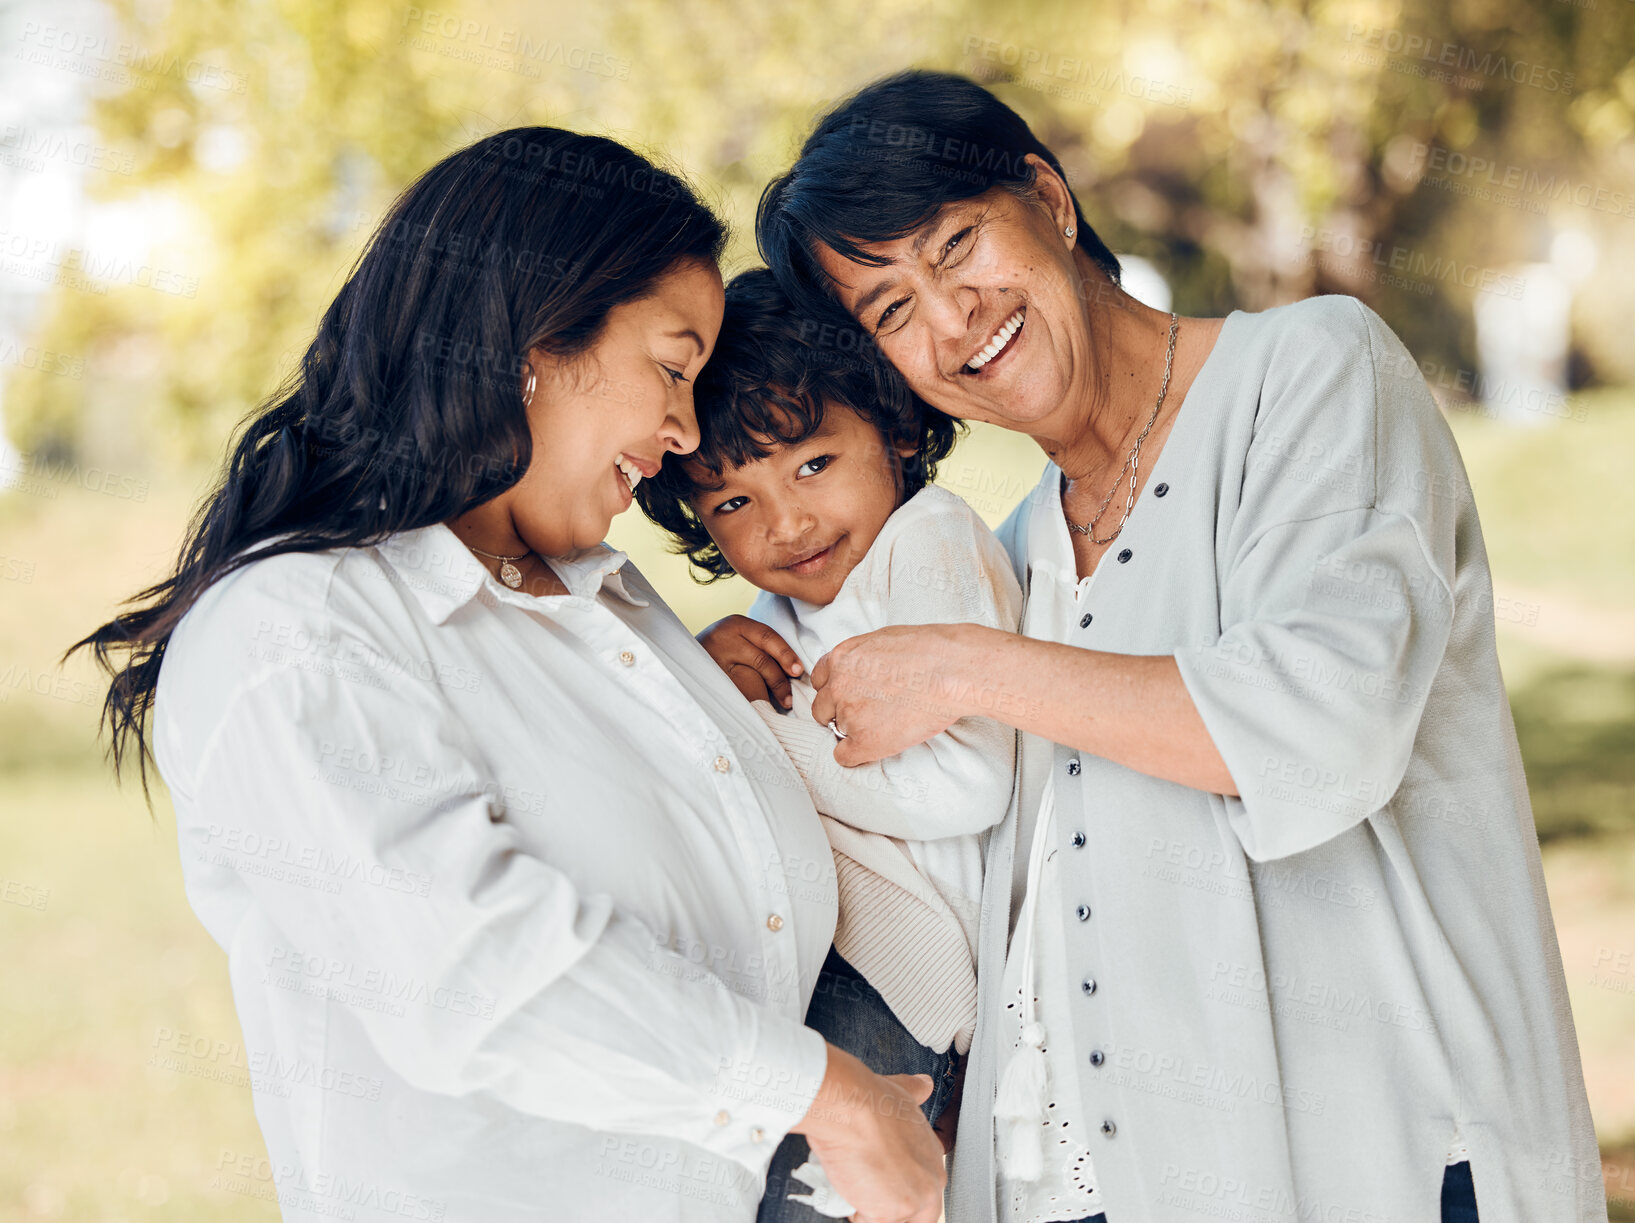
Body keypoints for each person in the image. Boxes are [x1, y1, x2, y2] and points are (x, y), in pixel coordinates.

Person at [755, 70, 1606, 1223]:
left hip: (1381, 1165)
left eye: (957, 246)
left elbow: (1322, 722)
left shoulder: (1309, 375)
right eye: (892, 309)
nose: (951, 319)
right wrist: (740, 674)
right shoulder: (1013, 554)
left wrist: (965, 666)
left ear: (1049, 203)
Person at [71, 127, 945, 1223]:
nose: (683, 433)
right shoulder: (299, 632)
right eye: (672, 369)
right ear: (534, 337)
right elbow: (479, 973)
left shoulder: (611, 605)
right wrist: (837, 1099)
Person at [639, 267, 1024, 1218]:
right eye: (731, 504)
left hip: (898, 972)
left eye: (812, 463)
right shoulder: (780, 606)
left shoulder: (924, 540)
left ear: (894, 427)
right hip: (809, 954)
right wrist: (708, 678)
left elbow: (970, 781)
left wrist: (750, 728)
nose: (788, 522)